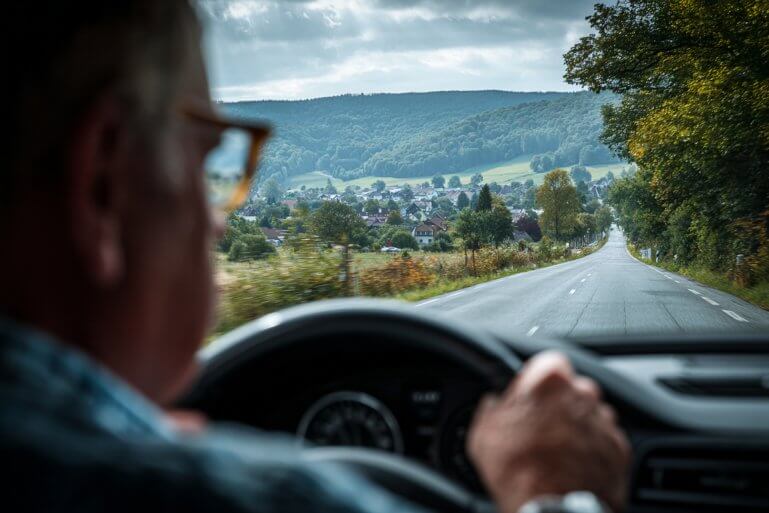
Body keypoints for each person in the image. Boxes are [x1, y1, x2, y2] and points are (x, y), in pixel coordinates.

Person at [0, 2, 630, 512]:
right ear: (103, 184)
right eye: (206, 161)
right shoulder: (206, 494)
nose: (219, 220)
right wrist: (555, 494)